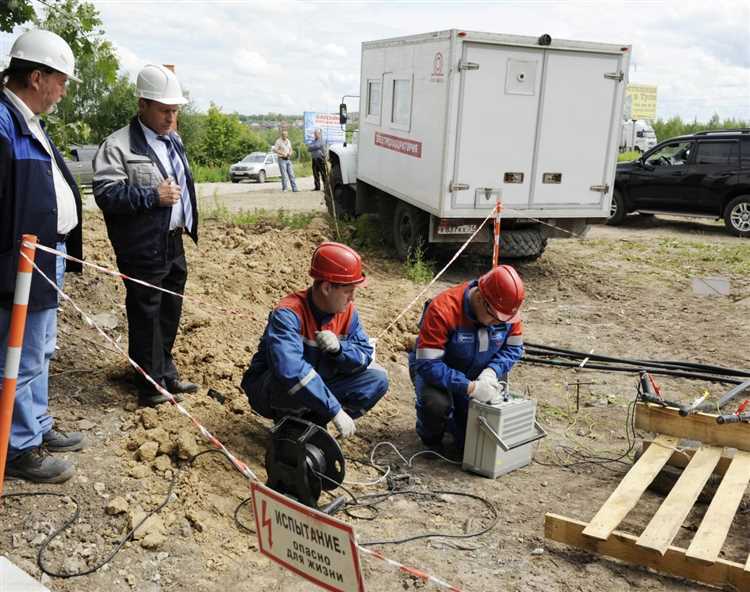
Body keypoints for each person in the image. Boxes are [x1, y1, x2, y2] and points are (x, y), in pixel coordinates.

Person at [0, 30, 85, 483]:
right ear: (37, 77)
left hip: (45, 255)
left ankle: (36, 423)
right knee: (21, 353)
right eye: (61, 80)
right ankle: (19, 447)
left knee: (41, 349)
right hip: (20, 262)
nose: (63, 90)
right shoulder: (3, 124)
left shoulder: (28, 120)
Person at [93, 65, 199, 407]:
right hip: (141, 246)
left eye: (175, 111)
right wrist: (152, 196)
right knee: (146, 314)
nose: (171, 117)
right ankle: (150, 385)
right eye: (164, 110)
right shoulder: (118, 145)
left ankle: (164, 373)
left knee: (169, 310)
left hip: (172, 241)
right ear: (143, 105)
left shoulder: (173, 140)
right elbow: (106, 195)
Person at [241, 242, 388, 438]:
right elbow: (289, 369)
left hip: (317, 386)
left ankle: (314, 423)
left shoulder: (347, 313)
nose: (353, 298)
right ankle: (287, 426)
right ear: (327, 287)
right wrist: (335, 410)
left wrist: (340, 350)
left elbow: (364, 354)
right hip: (270, 390)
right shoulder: (288, 313)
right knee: (287, 379)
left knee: (377, 379)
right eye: (348, 291)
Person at [409, 265, 525, 450]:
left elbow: (514, 349)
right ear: (480, 299)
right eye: (495, 318)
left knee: (469, 445)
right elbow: (428, 364)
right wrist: (469, 387)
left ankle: (457, 424)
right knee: (435, 405)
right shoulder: (443, 309)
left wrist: (491, 372)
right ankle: (430, 435)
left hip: (480, 373)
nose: (499, 323)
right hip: (439, 375)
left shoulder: (506, 311)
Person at [273, 128, 298, 192]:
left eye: (286, 134)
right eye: (283, 134)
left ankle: (294, 189)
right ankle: (285, 188)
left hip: (288, 159)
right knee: (284, 175)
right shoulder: (278, 141)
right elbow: (274, 150)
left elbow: (291, 149)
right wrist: (282, 153)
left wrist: (290, 153)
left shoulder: (288, 141)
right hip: (282, 159)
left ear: (287, 135)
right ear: (281, 135)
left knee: (291, 174)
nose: (285, 135)